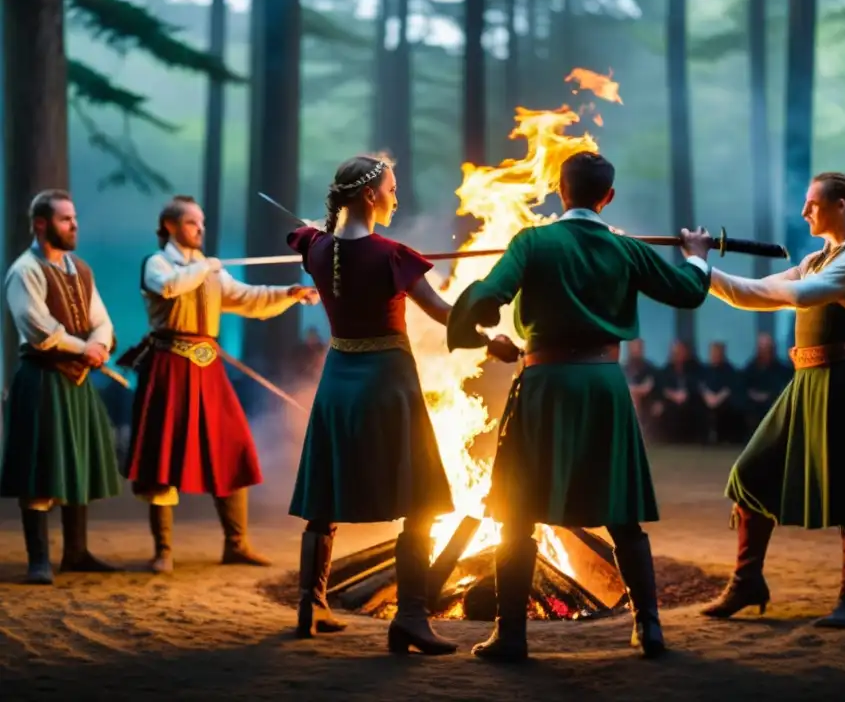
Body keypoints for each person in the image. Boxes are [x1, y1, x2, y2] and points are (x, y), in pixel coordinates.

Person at [446, 151, 714, 660]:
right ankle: (649, 628)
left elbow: (486, 298)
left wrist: (483, 335)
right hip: (604, 387)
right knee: (622, 512)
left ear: (557, 188)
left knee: (518, 513)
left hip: (545, 385)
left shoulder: (531, 242)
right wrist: (697, 252)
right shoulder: (626, 250)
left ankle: (511, 636)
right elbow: (687, 291)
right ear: (607, 196)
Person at [285, 156, 512, 652]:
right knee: (420, 498)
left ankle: (311, 603)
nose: (396, 197)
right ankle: (410, 616)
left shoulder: (316, 249)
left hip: (338, 379)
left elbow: (308, 239)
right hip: (388, 383)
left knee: (326, 496)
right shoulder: (392, 256)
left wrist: (322, 235)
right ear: (369, 196)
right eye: (391, 188)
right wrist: (490, 340)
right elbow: (442, 312)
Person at [698, 172, 845, 628]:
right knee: (749, 474)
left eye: (812, 203)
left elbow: (797, 295)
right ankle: (748, 581)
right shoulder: (816, 259)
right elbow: (755, 295)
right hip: (807, 381)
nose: (805, 211)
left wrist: (703, 267)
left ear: (841, 207)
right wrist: (703, 270)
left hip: (843, 383)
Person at [119, 195, 318, 573]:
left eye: (202, 223)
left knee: (232, 446)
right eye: (193, 223)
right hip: (168, 367)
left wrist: (290, 294)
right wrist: (205, 267)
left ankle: (236, 544)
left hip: (207, 369)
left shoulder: (208, 270)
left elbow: (246, 298)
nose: (200, 229)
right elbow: (169, 288)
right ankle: (163, 551)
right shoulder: (158, 264)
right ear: (172, 226)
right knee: (164, 456)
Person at [1, 190, 122, 583]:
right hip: (42, 380)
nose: (74, 225)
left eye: (74, 218)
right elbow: (39, 330)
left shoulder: (80, 270)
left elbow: (99, 318)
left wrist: (100, 343)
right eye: (65, 219)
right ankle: (39, 560)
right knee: (41, 468)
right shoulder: (25, 271)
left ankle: (76, 552)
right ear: (40, 224)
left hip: (77, 381)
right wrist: (82, 347)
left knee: (77, 463)